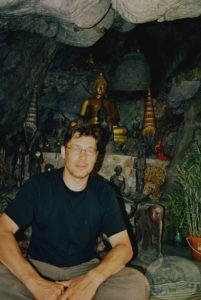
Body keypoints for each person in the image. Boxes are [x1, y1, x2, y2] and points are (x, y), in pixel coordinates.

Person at [0, 123, 149, 300]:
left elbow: (124, 248)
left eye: (90, 150)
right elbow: (2, 231)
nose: (83, 157)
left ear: (97, 157)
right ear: (64, 152)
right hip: (39, 267)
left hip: (85, 269)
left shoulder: (104, 193)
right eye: (76, 148)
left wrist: (91, 281)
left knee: (136, 284)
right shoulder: (38, 186)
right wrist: (35, 283)